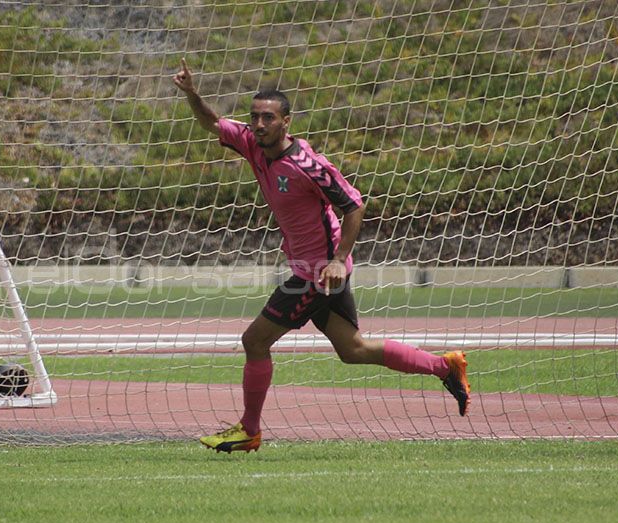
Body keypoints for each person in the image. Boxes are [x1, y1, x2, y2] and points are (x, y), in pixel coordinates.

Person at [172, 59, 471, 453]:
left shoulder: (307, 166)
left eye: (268, 117)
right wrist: (192, 95)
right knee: (353, 350)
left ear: (286, 122)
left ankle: (249, 430)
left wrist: (337, 259)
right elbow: (212, 122)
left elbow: (354, 206)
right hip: (310, 268)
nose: (259, 124)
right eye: (255, 117)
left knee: (254, 341)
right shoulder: (251, 143)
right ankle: (445, 366)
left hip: (317, 273)